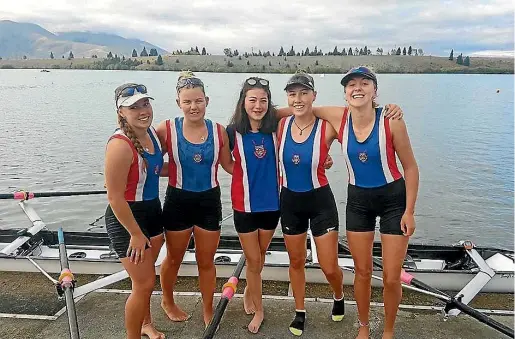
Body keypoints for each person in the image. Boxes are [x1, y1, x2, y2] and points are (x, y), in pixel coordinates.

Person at [338, 66, 419, 339]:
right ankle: (362, 326)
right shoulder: (339, 118)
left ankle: (388, 330)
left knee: (391, 276)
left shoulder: (391, 120)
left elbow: (410, 168)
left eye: (364, 83)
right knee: (362, 271)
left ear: (375, 91)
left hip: (393, 201)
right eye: (351, 84)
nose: (357, 88)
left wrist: (409, 211)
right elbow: (301, 109)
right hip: (358, 201)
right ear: (345, 92)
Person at [156, 71, 233, 327]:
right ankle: (167, 299)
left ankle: (208, 309)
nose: (193, 107)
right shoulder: (166, 130)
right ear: (179, 103)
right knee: (174, 257)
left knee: (206, 260)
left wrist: (271, 165)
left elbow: (231, 166)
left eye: (198, 101)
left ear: (207, 100)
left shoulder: (218, 131)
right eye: (187, 102)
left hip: (209, 201)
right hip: (178, 201)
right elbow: (150, 162)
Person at [277, 71, 346, 337]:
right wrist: (295, 107)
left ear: (314, 95)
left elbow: (351, 115)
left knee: (329, 266)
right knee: (296, 262)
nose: (298, 98)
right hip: (290, 202)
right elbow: (255, 113)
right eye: (292, 94)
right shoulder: (281, 125)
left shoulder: (326, 126)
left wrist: (311, 109)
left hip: (320, 202)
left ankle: (339, 295)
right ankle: (300, 311)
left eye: (304, 93)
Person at [104, 83, 165, 339]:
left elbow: (157, 170)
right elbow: (115, 197)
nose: (143, 111)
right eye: (134, 107)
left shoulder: (151, 133)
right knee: (143, 283)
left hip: (152, 211)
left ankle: (146, 324)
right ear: (121, 113)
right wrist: (136, 234)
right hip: (127, 219)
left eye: (145, 104)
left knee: (147, 280)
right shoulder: (120, 145)